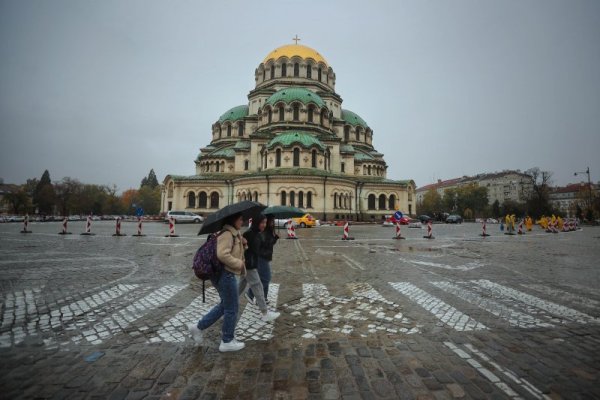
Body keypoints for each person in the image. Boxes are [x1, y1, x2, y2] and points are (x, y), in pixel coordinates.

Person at [188, 213, 247, 352]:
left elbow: (232, 252)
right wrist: (239, 264)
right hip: (227, 275)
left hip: (224, 274)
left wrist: (243, 245)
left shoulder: (234, 234)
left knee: (224, 305)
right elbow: (222, 254)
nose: (242, 220)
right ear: (233, 220)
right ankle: (227, 341)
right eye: (240, 218)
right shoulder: (227, 234)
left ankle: (197, 327)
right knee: (231, 308)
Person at [239, 214, 280, 322]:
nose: (264, 225)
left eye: (265, 222)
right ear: (256, 222)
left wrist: (274, 238)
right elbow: (245, 249)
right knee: (258, 285)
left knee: (239, 287)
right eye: (262, 222)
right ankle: (265, 313)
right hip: (249, 264)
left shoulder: (257, 233)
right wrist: (244, 244)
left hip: (251, 264)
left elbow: (258, 247)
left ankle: (225, 303)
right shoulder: (250, 233)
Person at [248, 215, 279, 303]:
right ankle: (250, 292)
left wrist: (274, 237)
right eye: (272, 221)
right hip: (262, 257)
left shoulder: (268, 230)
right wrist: (274, 238)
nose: (273, 223)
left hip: (265, 256)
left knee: (263, 278)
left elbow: (269, 245)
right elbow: (265, 245)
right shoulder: (264, 231)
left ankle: (263, 298)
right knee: (266, 278)